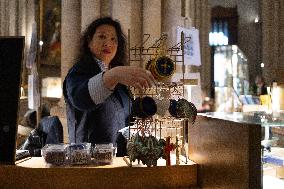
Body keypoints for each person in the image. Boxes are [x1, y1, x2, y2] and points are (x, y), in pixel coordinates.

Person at [63, 17, 155, 155]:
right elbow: (80, 99)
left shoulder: (115, 75)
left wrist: (148, 108)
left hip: (118, 158)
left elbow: (126, 113)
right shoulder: (80, 71)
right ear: (89, 42)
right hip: (90, 159)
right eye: (102, 37)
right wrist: (113, 75)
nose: (108, 43)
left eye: (114, 39)